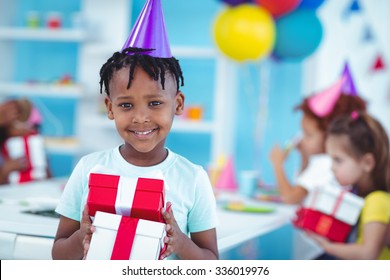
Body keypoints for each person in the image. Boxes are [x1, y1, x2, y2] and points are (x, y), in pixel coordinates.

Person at [52, 0, 218, 260]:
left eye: (155, 103)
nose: (141, 118)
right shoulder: (88, 168)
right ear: (110, 108)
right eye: (126, 105)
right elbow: (58, 254)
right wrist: (80, 236)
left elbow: (212, 262)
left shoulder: (193, 179)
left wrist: (181, 243)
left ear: (178, 104)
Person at [308, 111, 390, 259]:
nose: (332, 168)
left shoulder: (377, 200)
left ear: (367, 163)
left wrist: (327, 246)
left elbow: (368, 254)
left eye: (338, 160)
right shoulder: (358, 194)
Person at [269, 91, 367, 205]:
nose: (302, 139)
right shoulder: (321, 161)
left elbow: (290, 197)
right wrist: (304, 156)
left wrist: (277, 165)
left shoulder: (325, 163)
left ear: (329, 137)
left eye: (308, 134)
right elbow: (302, 186)